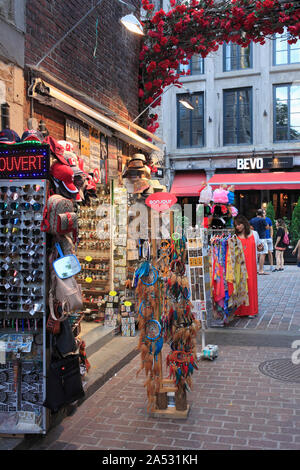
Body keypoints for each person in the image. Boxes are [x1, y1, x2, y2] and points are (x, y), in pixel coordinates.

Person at [234, 215, 263, 318]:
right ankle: (240, 311)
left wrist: (260, 247)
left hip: (251, 265)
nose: (238, 227)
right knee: (240, 287)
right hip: (239, 266)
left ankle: (252, 310)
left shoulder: (254, 234)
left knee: (250, 287)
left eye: (239, 224)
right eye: (236, 225)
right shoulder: (235, 236)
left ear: (244, 224)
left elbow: (259, 247)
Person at [250, 209, 270, 275]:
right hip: (262, 237)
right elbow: (267, 227)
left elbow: (251, 228)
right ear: (262, 214)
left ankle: (253, 269)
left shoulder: (252, 220)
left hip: (254, 237)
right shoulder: (262, 220)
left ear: (256, 213)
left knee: (256, 254)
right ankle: (261, 270)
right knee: (263, 253)